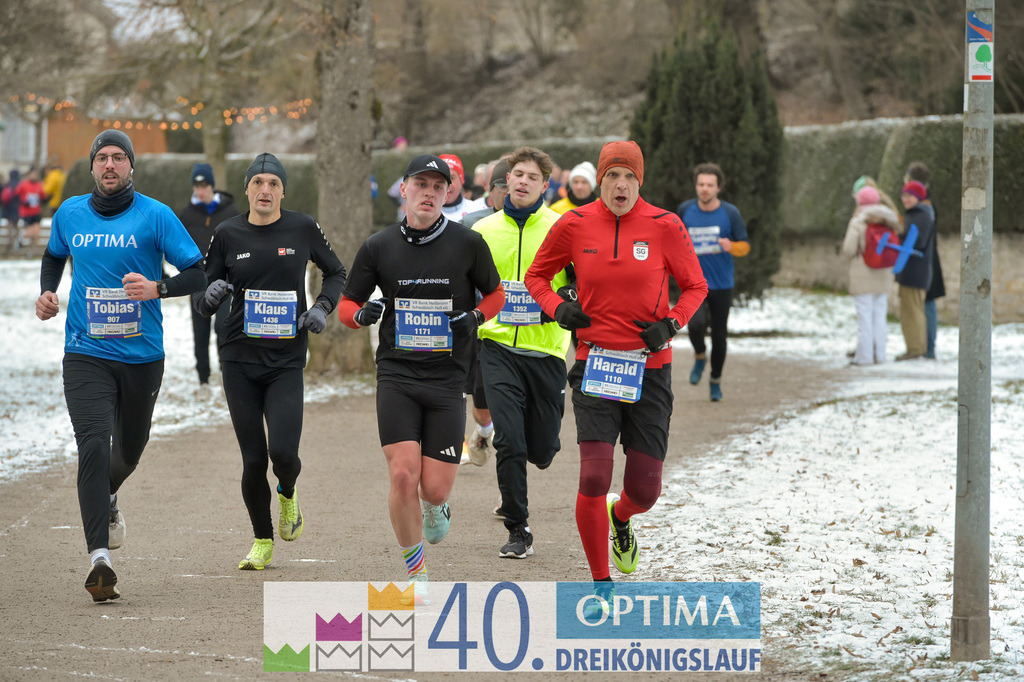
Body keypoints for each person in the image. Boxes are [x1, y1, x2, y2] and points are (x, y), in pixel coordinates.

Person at [525, 141, 707, 592]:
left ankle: (620, 516)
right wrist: (558, 309)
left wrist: (670, 325)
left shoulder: (666, 225)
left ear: (639, 181)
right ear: (599, 180)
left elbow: (695, 286)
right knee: (593, 476)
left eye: (629, 177)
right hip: (595, 363)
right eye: (612, 176)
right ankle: (600, 582)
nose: (620, 185)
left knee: (645, 491)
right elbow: (536, 277)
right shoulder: (574, 223)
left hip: (650, 368)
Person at [34, 129, 206, 602]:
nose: (109, 165)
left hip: (141, 355)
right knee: (92, 444)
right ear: (93, 166)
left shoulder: (156, 215)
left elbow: (198, 272)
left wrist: (158, 288)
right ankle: (99, 560)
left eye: (118, 158)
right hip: (85, 351)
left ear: (131, 165)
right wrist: (48, 292)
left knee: (128, 452)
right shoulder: (70, 213)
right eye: (102, 158)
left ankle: (107, 496)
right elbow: (54, 255)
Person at [337, 154, 504, 596]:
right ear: (405, 189)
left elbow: (497, 295)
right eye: (421, 184)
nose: (429, 193)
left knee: (434, 488)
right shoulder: (379, 246)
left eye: (438, 187)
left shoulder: (467, 244)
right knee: (402, 475)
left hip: (448, 378)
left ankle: (435, 507)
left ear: (448, 194)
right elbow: (347, 305)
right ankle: (416, 573)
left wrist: (475, 317)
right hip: (397, 374)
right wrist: (361, 315)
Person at [194, 153, 346, 571]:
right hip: (238, 357)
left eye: (273, 183)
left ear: (283, 191)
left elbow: (337, 272)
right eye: (258, 182)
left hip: (285, 360)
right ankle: (262, 540)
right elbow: (203, 291)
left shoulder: (302, 227)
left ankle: (288, 492)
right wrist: (209, 298)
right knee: (253, 459)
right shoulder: (227, 232)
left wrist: (322, 308)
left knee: (283, 452)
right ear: (246, 189)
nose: (265, 190)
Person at [473, 146, 574, 558]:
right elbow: (470, 284)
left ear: (544, 185)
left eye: (532, 177)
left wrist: (568, 297)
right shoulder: (483, 230)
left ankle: (544, 446)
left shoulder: (563, 228)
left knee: (541, 450)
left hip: (546, 350)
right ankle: (518, 528)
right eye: (518, 174)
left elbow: (581, 283)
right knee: (509, 441)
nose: (523, 181)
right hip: (497, 346)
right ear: (507, 180)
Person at [677, 163, 749, 401]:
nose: (705, 189)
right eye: (701, 184)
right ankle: (700, 356)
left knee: (719, 337)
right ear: (696, 186)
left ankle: (715, 380)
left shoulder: (730, 213)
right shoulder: (685, 210)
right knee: (695, 325)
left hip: (721, 284)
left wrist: (732, 246)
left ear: (718, 187)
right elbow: (673, 240)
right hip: (694, 284)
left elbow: (745, 246)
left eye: (709, 185)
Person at [177, 162, 240, 397]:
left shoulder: (230, 211)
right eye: (196, 186)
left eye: (204, 185)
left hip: (224, 281)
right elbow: (178, 246)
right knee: (200, 332)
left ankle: (226, 375)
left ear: (212, 185)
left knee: (223, 327)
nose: (200, 190)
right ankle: (203, 381)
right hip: (197, 281)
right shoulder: (187, 214)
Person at [840, 186, 899, 365]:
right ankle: (880, 356)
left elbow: (848, 249)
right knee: (880, 317)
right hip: (883, 274)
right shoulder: (889, 220)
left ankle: (864, 357)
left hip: (863, 275)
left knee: (864, 319)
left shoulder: (858, 221)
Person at [904, 162, 945, 359]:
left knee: (927, 303)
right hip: (928, 258)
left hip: (927, 260)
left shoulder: (924, 206)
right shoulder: (925, 204)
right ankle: (926, 348)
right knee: (927, 304)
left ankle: (928, 349)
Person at [895, 180, 936, 361]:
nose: (906, 199)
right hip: (913, 271)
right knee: (912, 310)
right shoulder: (919, 213)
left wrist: (897, 238)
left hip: (914, 271)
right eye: (904, 195)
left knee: (912, 312)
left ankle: (915, 349)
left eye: (910, 196)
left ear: (918, 197)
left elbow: (917, 242)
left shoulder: (920, 215)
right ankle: (917, 348)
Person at [439, 154, 486, 222]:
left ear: (462, 180)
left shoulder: (477, 210)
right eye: (442, 178)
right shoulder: (425, 213)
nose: (448, 184)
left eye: (452, 178)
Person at [15, 167, 45, 248]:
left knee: (37, 231)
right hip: (26, 212)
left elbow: (43, 196)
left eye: (36, 175)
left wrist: (47, 199)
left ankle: (33, 249)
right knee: (29, 232)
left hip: (36, 211)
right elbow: (16, 195)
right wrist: (23, 202)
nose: (34, 176)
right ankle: (20, 239)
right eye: (33, 174)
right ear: (29, 175)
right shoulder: (24, 184)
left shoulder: (39, 185)